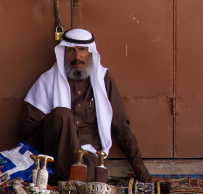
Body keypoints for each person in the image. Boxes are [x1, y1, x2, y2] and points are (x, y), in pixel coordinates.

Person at [18, 28, 153, 184]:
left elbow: (121, 126)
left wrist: (143, 174)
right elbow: (25, 130)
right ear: (63, 52)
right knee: (62, 114)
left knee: (88, 176)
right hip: (55, 155)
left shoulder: (103, 80)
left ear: (90, 52)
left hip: (88, 152)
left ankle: (66, 182)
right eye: (71, 51)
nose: (77, 57)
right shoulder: (47, 81)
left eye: (82, 50)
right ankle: (66, 179)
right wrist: (54, 121)